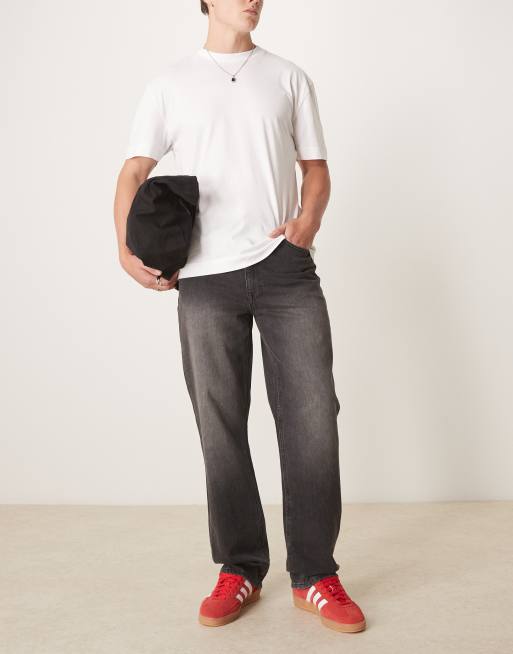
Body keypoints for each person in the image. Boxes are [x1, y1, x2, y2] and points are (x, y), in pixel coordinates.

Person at [113, 0, 366, 634]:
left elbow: (316, 169)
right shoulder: (170, 83)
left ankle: (315, 574)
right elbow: (134, 170)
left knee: (313, 419)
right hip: (203, 278)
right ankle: (241, 567)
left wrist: (306, 225)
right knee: (220, 424)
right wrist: (125, 249)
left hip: (285, 270)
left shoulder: (288, 76)